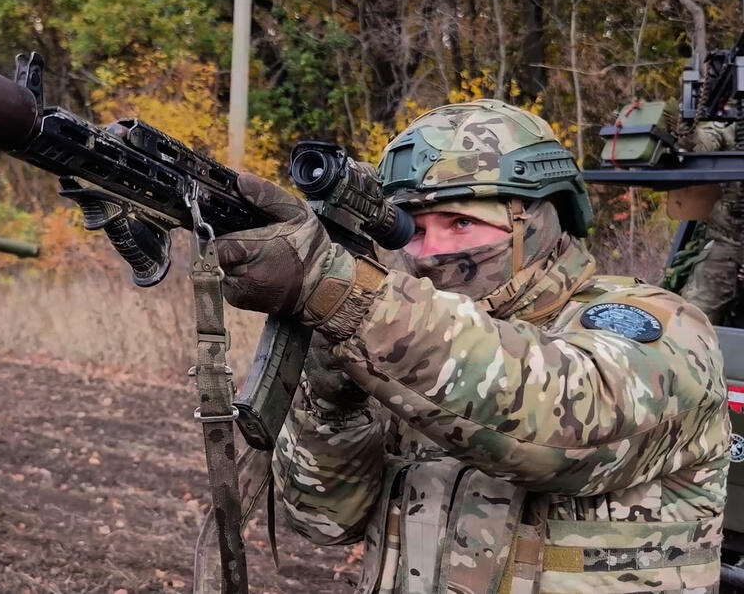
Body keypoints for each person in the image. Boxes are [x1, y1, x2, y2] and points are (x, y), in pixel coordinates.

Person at [215, 100, 729, 592]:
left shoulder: (662, 324)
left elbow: (561, 433)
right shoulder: (397, 334)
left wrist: (340, 291)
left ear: (539, 218)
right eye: (412, 230)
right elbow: (325, 523)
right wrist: (333, 405)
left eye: (461, 222)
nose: (431, 253)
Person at [679, 120, 741, 326]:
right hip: (729, 242)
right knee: (692, 318)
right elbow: (701, 146)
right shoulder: (732, 130)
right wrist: (687, 129)